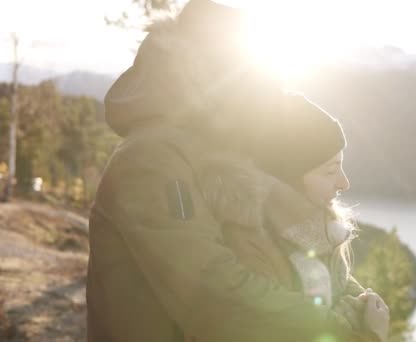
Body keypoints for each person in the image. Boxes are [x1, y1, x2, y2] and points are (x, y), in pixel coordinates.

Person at [86, 1, 375, 341]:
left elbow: (293, 241)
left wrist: (358, 300)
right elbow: (212, 294)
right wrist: (334, 324)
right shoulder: (151, 159)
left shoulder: (225, 145)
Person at [197, 92, 390, 341]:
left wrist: (363, 305)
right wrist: (373, 334)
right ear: (288, 180)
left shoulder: (320, 229)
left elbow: (338, 285)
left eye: (341, 166)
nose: (344, 182)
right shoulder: (250, 249)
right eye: (330, 171)